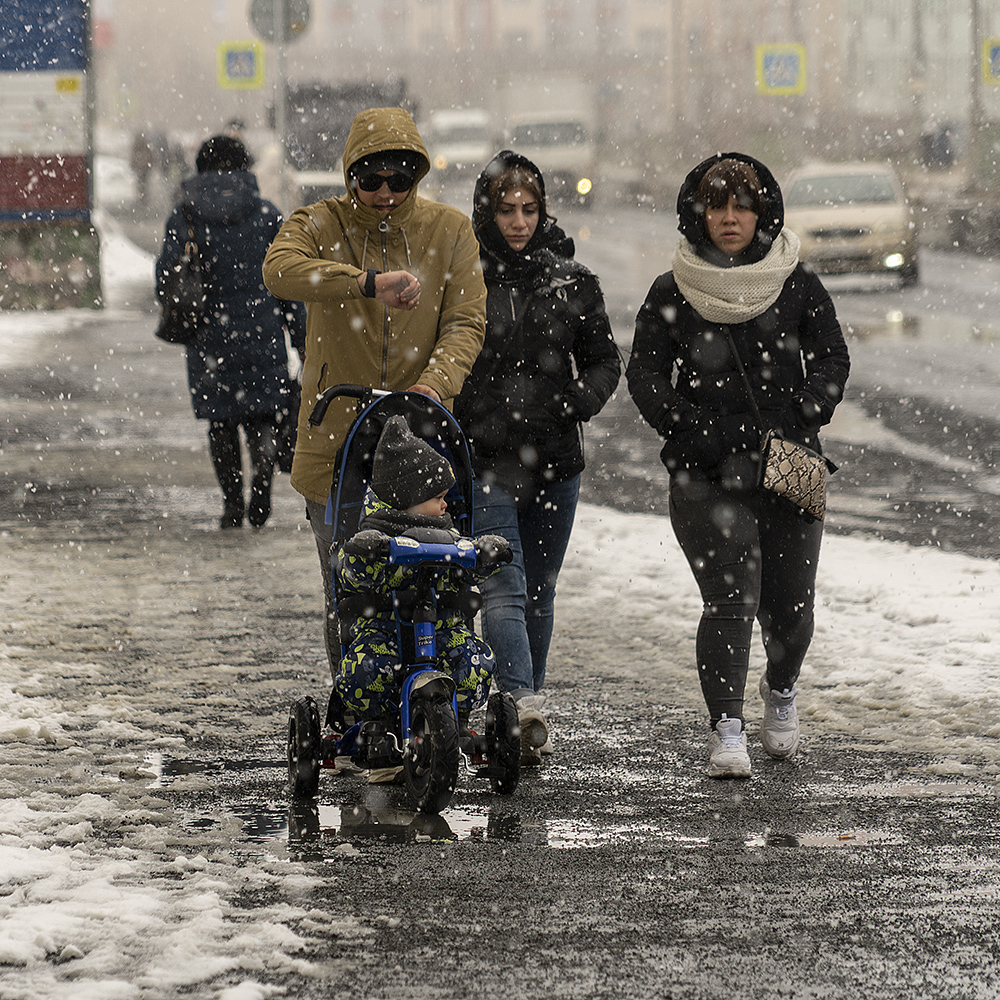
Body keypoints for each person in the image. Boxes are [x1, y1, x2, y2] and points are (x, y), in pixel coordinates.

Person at [626, 153, 850, 778]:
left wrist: (806, 410)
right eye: (717, 205)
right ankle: (726, 727)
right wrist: (693, 428)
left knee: (791, 608)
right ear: (697, 213)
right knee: (729, 601)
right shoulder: (674, 289)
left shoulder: (795, 282)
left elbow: (833, 358)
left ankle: (780, 692)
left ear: (761, 212)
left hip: (791, 464)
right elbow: (644, 374)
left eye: (741, 205)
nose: (729, 218)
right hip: (706, 472)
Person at [262, 107, 487, 682]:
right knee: (350, 589)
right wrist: (362, 283)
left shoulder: (450, 230)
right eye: (371, 179)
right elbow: (279, 271)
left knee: (434, 583)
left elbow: (465, 322)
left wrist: (431, 387)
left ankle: (433, 700)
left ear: (420, 176)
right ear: (349, 175)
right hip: (337, 443)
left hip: (424, 443)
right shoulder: (317, 221)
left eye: (401, 179)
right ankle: (363, 711)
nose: (385, 193)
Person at [454, 150, 621, 765]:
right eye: (505, 210)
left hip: (555, 459)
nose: (518, 221)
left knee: (539, 592)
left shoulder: (571, 281)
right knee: (501, 586)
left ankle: (523, 709)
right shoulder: (464, 277)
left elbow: (606, 359)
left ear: (543, 209)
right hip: (487, 458)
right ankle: (521, 703)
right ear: (486, 212)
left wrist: (582, 398)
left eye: (528, 209)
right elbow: (445, 354)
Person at [334, 416, 510, 782]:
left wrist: (485, 555)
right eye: (438, 499)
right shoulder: (375, 538)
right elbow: (350, 569)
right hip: (385, 631)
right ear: (408, 501)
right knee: (366, 673)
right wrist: (363, 555)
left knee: (473, 663)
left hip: (441, 632)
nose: (446, 507)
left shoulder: (450, 538)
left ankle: (453, 719)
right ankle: (379, 726)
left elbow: (470, 566)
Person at [156, 134, 306, 529]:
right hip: (262, 334)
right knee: (263, 419)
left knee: (221, 425)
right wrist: (301, 336)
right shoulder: (267, 215)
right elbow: (289, 283)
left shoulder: (185, 217)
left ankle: (232, 504)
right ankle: (261, 493)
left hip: (210, 343)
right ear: (245, 167)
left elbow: (164, 282)